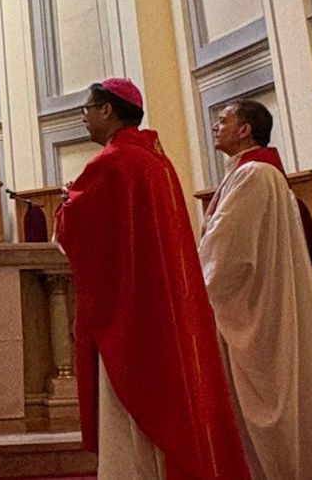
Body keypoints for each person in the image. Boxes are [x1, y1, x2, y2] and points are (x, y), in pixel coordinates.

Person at [55, 78, 248, 480]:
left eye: (87, 109)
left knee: (131, 409)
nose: (84, 119)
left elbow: (76, 231)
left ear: (107, 110)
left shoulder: (113, 163)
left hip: (130, 310)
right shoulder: (154, 160)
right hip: (159, 303)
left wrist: (67, 205)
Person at [198, 100, 312, 478]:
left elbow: (228, 254)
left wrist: (193, 293)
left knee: (264, 406)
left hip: (255, 310)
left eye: (223, 120)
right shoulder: (251, 173)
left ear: (245, 130)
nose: (215, 126)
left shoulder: (254, 175)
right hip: (256, 302)